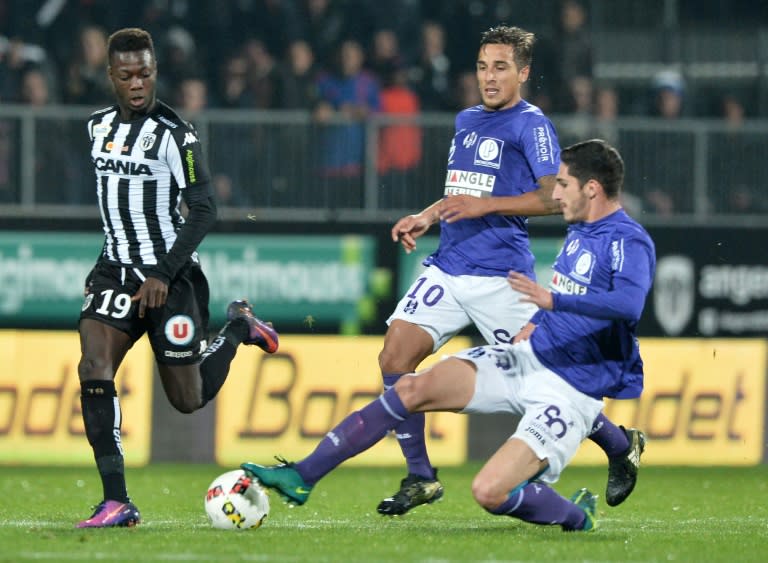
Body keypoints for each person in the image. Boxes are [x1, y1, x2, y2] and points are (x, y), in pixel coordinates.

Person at [242, 138, 656, 532]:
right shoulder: (581, 228)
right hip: (529, 359)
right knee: (409, 389)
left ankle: (578, 517)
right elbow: (574, 293)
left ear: (593, 188)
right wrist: (539, 323)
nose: (556, 194)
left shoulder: (629, 241)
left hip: (571, 389)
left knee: (488, 491)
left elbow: (627, 307)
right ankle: (303, 475)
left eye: (563, 184)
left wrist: (551, 304)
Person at [355, 25, 646, 516]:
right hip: (449, 266)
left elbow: (554, 198)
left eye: (501, 67)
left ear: (523, 73)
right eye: (483, 66)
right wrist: (428, 216)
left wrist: (484, 207)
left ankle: (621, 445)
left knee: (550, 377)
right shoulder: (466, 119)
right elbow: (461, 191)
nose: (489, 78)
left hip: (500, 276)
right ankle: (421, 477)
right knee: (393, 357)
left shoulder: (531, 125)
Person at [76, 28, 279, 529]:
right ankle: (116, 501)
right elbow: (116, 207)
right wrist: (105, 264)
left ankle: (237, 329)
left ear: (155, 71)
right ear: (112, 77)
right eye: (127, 75)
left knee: (187, 400)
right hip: (116, 273)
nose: (138, 83)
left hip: (172, 277)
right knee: (93, 365)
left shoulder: (175, 134)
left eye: (145, 73)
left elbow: (205, 207)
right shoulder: (96, 127)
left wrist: (163, 273)